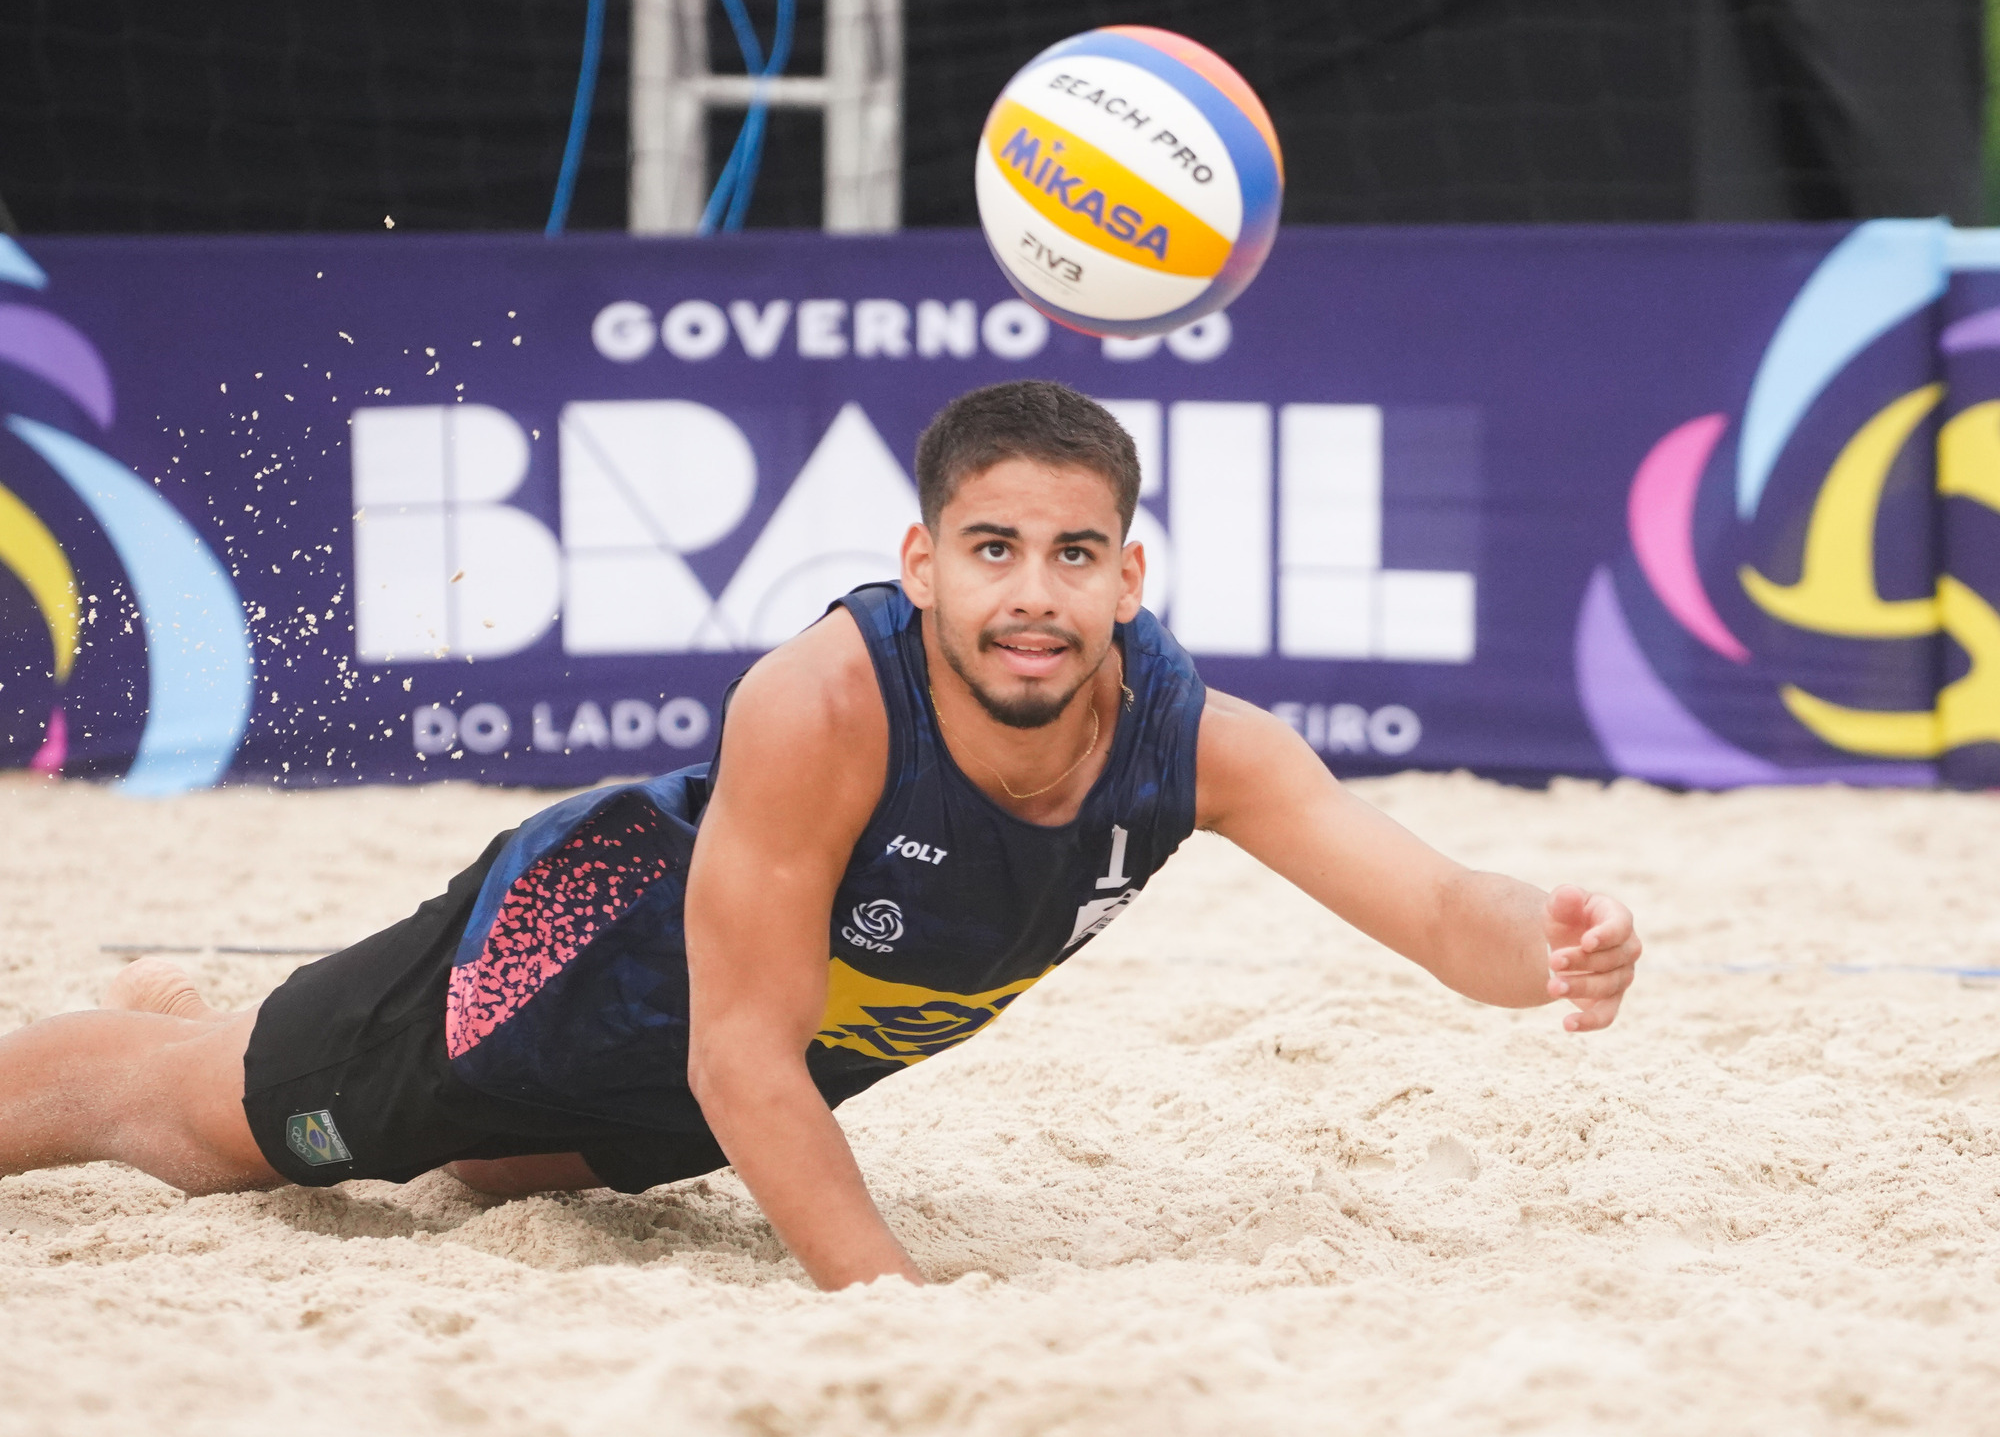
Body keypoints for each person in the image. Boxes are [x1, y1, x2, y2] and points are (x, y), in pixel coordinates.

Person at [0, 381, 1641, 1289]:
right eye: (991, 548)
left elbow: (1447, 915)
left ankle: (212, 1015)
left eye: (1074, 555)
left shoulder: (1197, 745)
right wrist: (890, 1301)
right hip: (570, 969)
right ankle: (182, 1044)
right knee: (205, 1129)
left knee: (482, 1178)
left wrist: (1555, 944)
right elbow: (739, 1054)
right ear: (923, 564)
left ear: (1129, 580)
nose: (1032, 593)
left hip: (744, 1071)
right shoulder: (825, 701)